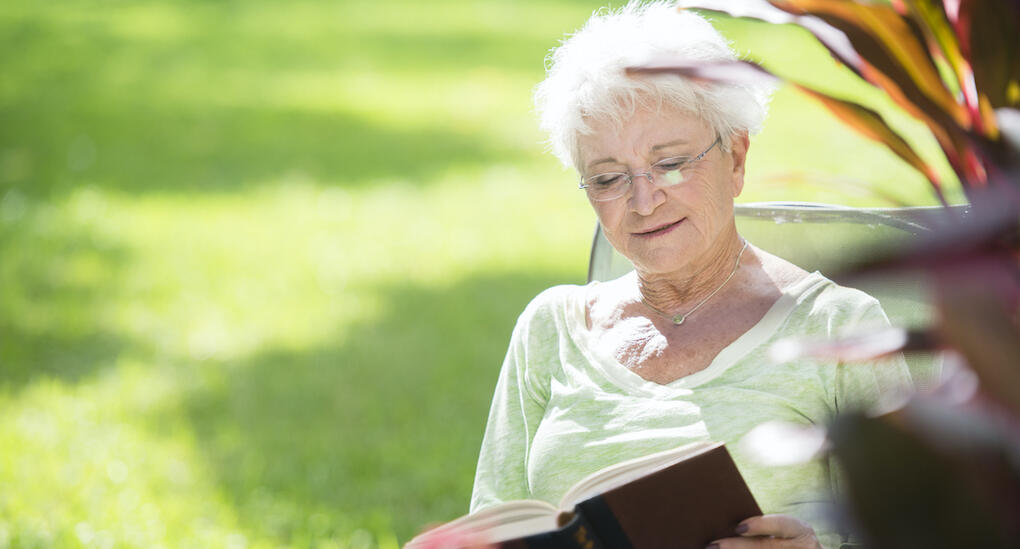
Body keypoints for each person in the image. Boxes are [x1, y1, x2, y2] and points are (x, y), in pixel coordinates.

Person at [469, 2, 912, 548]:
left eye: (671, 164)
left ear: (736, 159)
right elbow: (490, 526)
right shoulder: (551, 328)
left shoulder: (838, 327)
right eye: (608, 178)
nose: (644, 201)